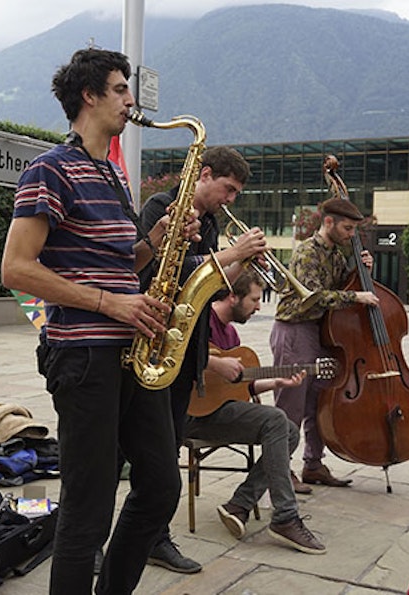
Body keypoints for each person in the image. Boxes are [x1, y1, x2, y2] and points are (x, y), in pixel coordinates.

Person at [0, 48, 195, 595]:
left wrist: (157, 242)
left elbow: (117, 264)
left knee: (159, 488)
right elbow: (15, 268)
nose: (130, 100)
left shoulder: (111, 172)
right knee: (87, 509)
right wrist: (112, 304)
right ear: (88, 96)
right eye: (118, 89)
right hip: (84, 356)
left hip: (132, 351)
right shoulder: (50, 168)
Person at [138, 146, 269, 573]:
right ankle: (124, 539)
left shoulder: (209, 222)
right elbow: (162, 276)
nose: (230, 199)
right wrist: (232, 255)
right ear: (205, 174)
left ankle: (155, 538)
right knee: (150, 462)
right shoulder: (162, 208)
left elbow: (210, 289)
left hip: (184, 355)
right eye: (227, 189)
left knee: (164, 458)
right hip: (156, 347)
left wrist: (240, 265)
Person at [185, 271, 326, 554]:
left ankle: (240, 504)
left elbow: (239, 387)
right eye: (255, 299)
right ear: (232, 297)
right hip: (191, 415)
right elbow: (181, 357)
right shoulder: (200, 322)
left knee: (288, 431)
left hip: (222, 412)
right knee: (276, 420)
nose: (259, 307)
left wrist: (277, 381)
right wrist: (213, 363)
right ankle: (285, 516)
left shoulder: (231, 333)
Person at [269, 156, 380, 490]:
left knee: (318, 400)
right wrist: (356, 297)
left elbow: (340, 288)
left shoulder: (336, 253)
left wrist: (361, 273)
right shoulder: (307, 252)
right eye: (347, 229)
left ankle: (313, 465)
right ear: (329, 222)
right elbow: (314, 296)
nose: (351, 235)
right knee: (290, 403)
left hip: (318, 333)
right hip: (294, 331)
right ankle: (281, 471)